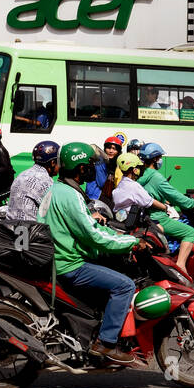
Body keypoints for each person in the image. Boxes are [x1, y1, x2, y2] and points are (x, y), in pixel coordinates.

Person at [38, 142, 139, 364]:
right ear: (80, 167)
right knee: (125, 285)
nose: (93, 168)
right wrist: (131, 242)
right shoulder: (70, 195)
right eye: (90, 164)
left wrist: (115, 235)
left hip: (55, 258)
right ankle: (105, 343)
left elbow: (88, 226)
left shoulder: (57, 189)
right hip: (69, 264)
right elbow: (93, 236)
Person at [135, 143, 194, 277]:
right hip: (158, 218)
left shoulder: (140, 175)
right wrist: (192, 203)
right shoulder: (156, 177)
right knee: (189, 231)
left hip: (145, 217)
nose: (160, 160)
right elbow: (175, 196)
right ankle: (181, 266)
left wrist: (164, 201)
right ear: (155, 159)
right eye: (159, 157)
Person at [6, 140, 59, 222]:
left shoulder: (22, 174)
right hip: (31, 231)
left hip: (10, 226)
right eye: (59, 162)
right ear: (52, 163)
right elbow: (55, 212)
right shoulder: (46, 181)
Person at [111, 152, 169, 223]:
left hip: (120, 219)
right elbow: (149, 201)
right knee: (160, 228)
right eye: (138, 167)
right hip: (131, 220)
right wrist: (165, 207)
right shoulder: (134, 186)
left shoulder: (121, 184)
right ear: (134, 170)